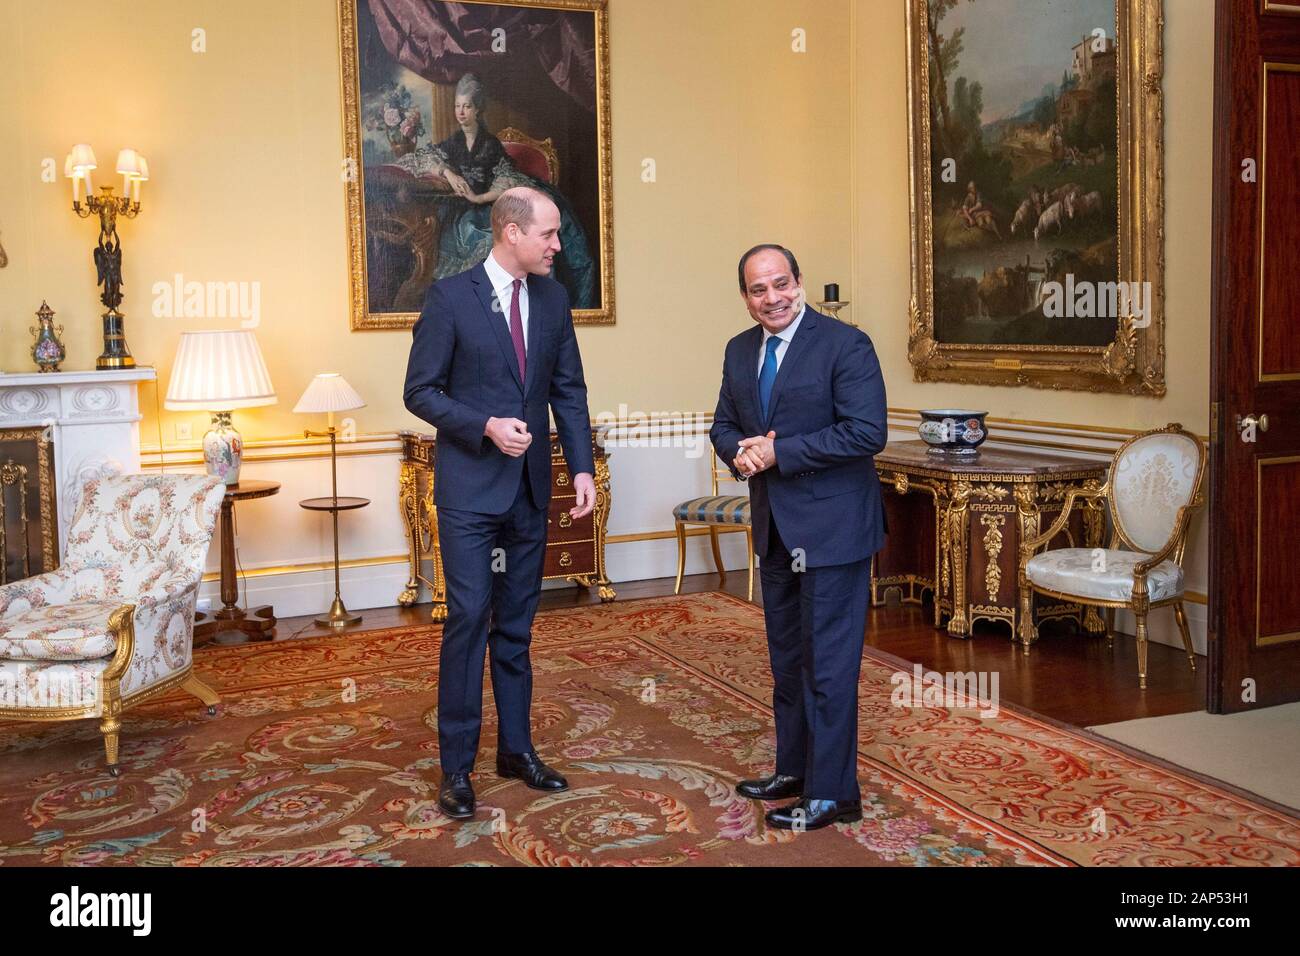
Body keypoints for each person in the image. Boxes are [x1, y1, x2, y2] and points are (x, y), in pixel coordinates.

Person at [403, 186, 596, 820]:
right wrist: (485, 424)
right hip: (469, 495)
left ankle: (516, 750)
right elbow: (421, 393)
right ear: (512, 233)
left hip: (530, 492)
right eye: (548, 234)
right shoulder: (450, 298)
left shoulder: (553, 297)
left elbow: (568, 390)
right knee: (466, 623)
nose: (556, 245)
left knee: (516, 627)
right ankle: (456, 769)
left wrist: (582, 468)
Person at [710, 244, 889, 831]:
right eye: (758, 290)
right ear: (745, 297)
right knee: (788, 662)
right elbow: (724, 425)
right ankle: (795, 771)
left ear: (799, 282)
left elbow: (867, 432)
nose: (772, 298)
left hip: (835, 530)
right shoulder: (740, 350)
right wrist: (742, 452)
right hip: (777, 529)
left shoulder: (846, 344)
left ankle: (836, 794)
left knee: (829, 668)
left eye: (781, 284)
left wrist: (779, 452)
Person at [395, 73, 597, 307]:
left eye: (467, 107)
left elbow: (505, 180)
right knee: (437, 240)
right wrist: (449, 174)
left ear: (478, 110)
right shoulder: (453, 141)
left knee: (494, 239)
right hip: (459, 212)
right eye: (457, 106)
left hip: (488, 208)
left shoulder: (490, 144)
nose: (461, 112)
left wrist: (478, 197)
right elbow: (428, 158)